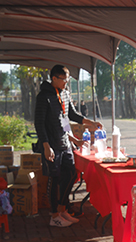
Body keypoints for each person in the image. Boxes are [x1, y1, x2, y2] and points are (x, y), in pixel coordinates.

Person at [35, 65, 102, 227]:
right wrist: (46, 146)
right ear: (55, 79)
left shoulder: (64, 94)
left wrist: (84, 129)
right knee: (54, 179)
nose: (67, 82)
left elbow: (68, 118)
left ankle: (62, 208)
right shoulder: (44, 96)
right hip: (51, 145)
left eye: (68, 79)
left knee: (71, 174)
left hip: (65, 144)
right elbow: (39, 123)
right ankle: (54, 215)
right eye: (64, 79)